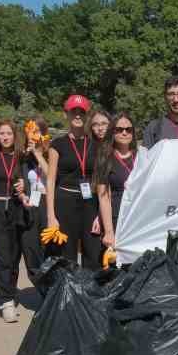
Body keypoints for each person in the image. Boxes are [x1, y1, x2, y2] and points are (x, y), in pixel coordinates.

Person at [0, 119, 38, 323]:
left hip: (18, 208)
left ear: (15, 136)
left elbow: (32, 178)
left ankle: (10, 291)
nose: (5, 137)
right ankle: (6, 301)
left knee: (14, 256)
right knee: (2, 255)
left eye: (9, 133)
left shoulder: (23, 157)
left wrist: (23, 185)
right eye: (2, 133)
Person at [49, 94, 103, 270]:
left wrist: (100, 213)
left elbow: (101, 181)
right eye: (74, 112)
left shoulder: (96, 144)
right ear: (66, 114)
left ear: (87, 115)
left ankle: (90, 288)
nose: (78, 115)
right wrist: (51, 216)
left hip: (90, 203)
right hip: (65, 203)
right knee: (66, 256)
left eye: (82, 112)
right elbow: (50, 181)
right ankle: (67, 288)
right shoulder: (57, 144)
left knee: (93, 253)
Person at [96, 112, 140, 257]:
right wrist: (109, 232)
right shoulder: (105, 158)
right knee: (117, 265)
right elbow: (103, 197)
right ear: (112, 132)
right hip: (117, 219)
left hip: (139, 218)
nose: (124, 133)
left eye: (128, 129)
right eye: (119, 129)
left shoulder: (142, 155)